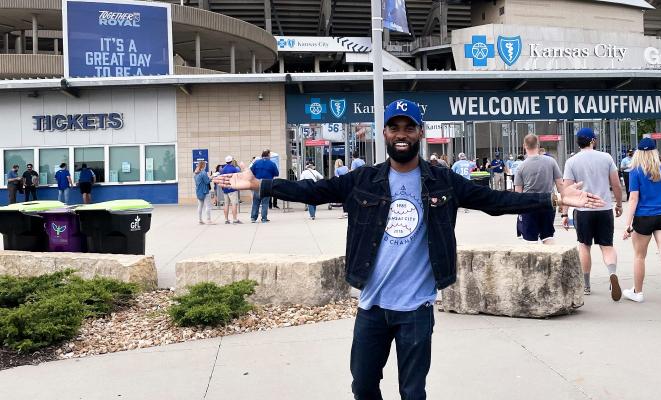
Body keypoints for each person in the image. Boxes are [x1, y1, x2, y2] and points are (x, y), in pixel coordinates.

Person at [213, 99, 604, 400]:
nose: (402, 133)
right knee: (363, 387)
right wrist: (260, 186)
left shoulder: (442, 181)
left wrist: (552, 199)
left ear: (420, 133)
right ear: (384, 134)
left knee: (412, 393)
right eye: (394, 127)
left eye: (409, 127)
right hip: (372, 307)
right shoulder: (362, 181)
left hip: (416, 309)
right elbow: (311, 190)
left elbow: (492, 200)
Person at [561, 127, 624, 300]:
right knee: (607, 246)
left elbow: (567, 191)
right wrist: (618, 204)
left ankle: (586, 284)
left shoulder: (571, 162)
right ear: (593, 141)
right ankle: (612, 274)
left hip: (583, 211)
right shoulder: (606, 158)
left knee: (584, 246)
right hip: (603, 208)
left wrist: (564, 214)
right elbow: (616, 185)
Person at [621, 137, 661, 313]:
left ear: (638, 153)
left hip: (643, 217)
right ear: (655, 152)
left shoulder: (635, 171)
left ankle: (638, 292)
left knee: (640, 256)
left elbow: (633, 198)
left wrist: (628, 224)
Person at [514, 134, 564, 244]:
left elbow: (518, 192)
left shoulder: (520, 167)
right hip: (549, 201)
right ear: (538, 145)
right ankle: (551, 260)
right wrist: (563, 204)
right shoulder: (551, 161)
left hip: (529, 204)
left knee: (530, 241)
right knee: (548, 236)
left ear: (524, 146)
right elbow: (560, 184)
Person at [250, 150, 280, 223]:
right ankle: (264, 218)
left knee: (256, 202)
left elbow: (251, 172)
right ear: (268, 155)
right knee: (265, 202)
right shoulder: (272, 164)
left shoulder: (256, 162)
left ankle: (253, 218)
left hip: (257, 183)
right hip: (267, 184)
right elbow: (276, 173)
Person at [221, 155, 242, 224]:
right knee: (234, 204)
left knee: (226, 204)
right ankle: (235, 219)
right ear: (231, 161)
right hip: (232, 189)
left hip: (225, 188)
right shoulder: (234, 169)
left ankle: (226, 219)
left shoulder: (223, 169)